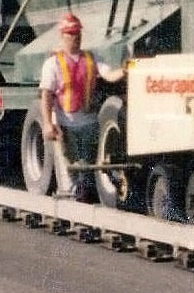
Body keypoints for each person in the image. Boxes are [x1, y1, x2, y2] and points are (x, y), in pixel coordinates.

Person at [38, 13, 127, 199]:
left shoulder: (91, 58)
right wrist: (47, 123)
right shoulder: (53, 63)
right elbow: (46, 94)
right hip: (66, 124)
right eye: (71, 33)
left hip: (89, 123)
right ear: (62, 35)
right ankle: (76, 194)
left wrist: (123, 71)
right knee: (73, 167)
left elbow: (109, 74)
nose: (75, 37)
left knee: (88, 167)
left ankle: (83, 194)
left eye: (77, 33)